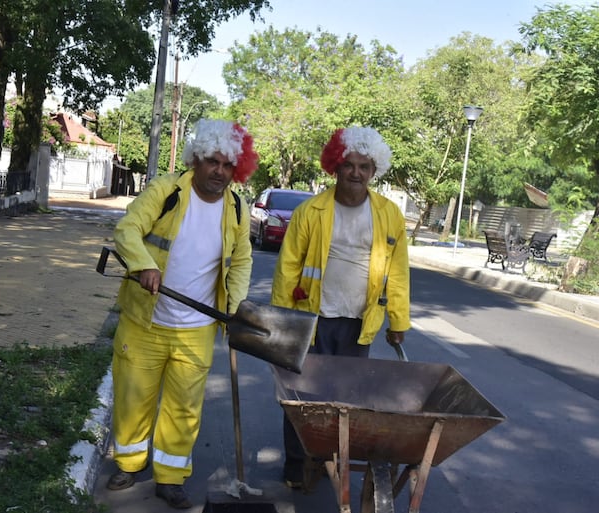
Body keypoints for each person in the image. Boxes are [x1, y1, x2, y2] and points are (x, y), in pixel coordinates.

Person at [107, 119, 258, 508]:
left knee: (184, 408)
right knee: (133, 396)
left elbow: (241, 261)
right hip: (145, 320)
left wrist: (234, 305)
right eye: (212, 161)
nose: (219, 171)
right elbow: (127, 231)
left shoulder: (238, 209)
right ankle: (128, 463)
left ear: (234, 169)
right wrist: (144, 265)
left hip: (198, 326)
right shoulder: (166, 192)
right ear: (196, 159)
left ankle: (171, 476)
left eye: (227, 165)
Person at [270, 126, 411, 488]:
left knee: (344, 400)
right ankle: (297, 465)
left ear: (374, 171)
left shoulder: (389, 214)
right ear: (335, 167)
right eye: (349, 165)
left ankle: (329, 461)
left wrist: (399, 319)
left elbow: (396, 272)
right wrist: (284, 320)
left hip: (359, 324)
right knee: (302, 399)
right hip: (311, 320)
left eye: (365, 166)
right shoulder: (311, 211)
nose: (356, 173)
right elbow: (288, 267)